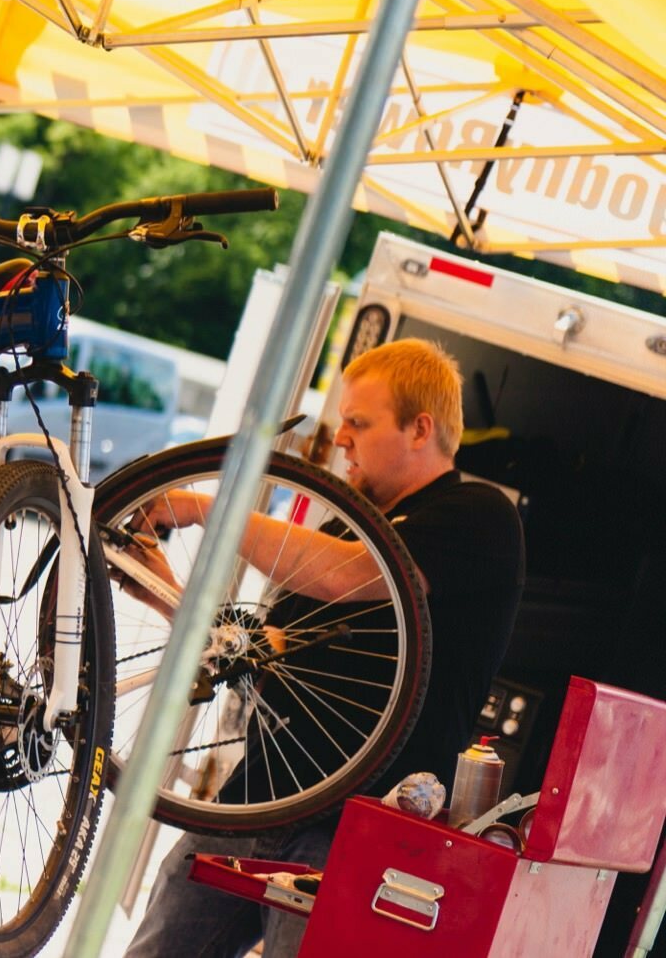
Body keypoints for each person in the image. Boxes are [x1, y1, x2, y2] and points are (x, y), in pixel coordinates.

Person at [124, 337, 524, 958]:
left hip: (356, 833)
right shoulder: (344, 525)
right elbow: (252, 653)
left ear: (420, 429)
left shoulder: (479, 516)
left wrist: (209, 507)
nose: (340, 440)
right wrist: (160, 588)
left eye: (358, 424)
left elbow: (356, 574)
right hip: (257, 801)